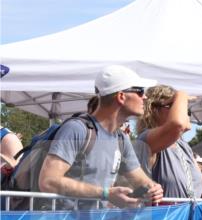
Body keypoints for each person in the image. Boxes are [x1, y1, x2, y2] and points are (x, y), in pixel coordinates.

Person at [38, 65, 164, 209]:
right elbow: (48, 181)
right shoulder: (77, 129)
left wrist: (153, 189)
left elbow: (140, 180)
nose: (145, 97)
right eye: (140, 92)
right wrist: (105, 193)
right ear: (121, 96)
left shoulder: (121, 139)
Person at [134, 85, 202, 202]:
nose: (183, 111)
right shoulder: (147, 140)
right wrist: (181, 95)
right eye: (174, 106)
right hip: (164, 219)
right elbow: (178, 125)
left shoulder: (183, 146)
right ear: (154, 110)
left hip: (188, 218)